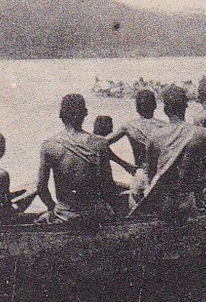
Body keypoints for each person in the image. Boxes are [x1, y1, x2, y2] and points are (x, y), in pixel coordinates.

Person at [35, 93, 115, 224]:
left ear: (61, 115)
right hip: (94, 214)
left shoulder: (49, 145)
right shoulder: (100, 144)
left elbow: (41, 188)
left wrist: (52, 208)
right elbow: (108, 186)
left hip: (65, 214)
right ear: (85, 113)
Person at [141, 84, 206, 219]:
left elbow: (152, 174)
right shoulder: (201, 133)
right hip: (189, 198)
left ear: (165, 109)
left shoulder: (154, 136)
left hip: (164, 201)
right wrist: (200, 185)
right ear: (186, 106)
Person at [109, 88, 166, 209]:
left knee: (135, 217)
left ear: (136, 107)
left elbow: (100, 145)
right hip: (161, 176)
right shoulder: (165, 127)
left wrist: (122, 163)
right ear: (155, 106)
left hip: (140, 175)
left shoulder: (129, 126)